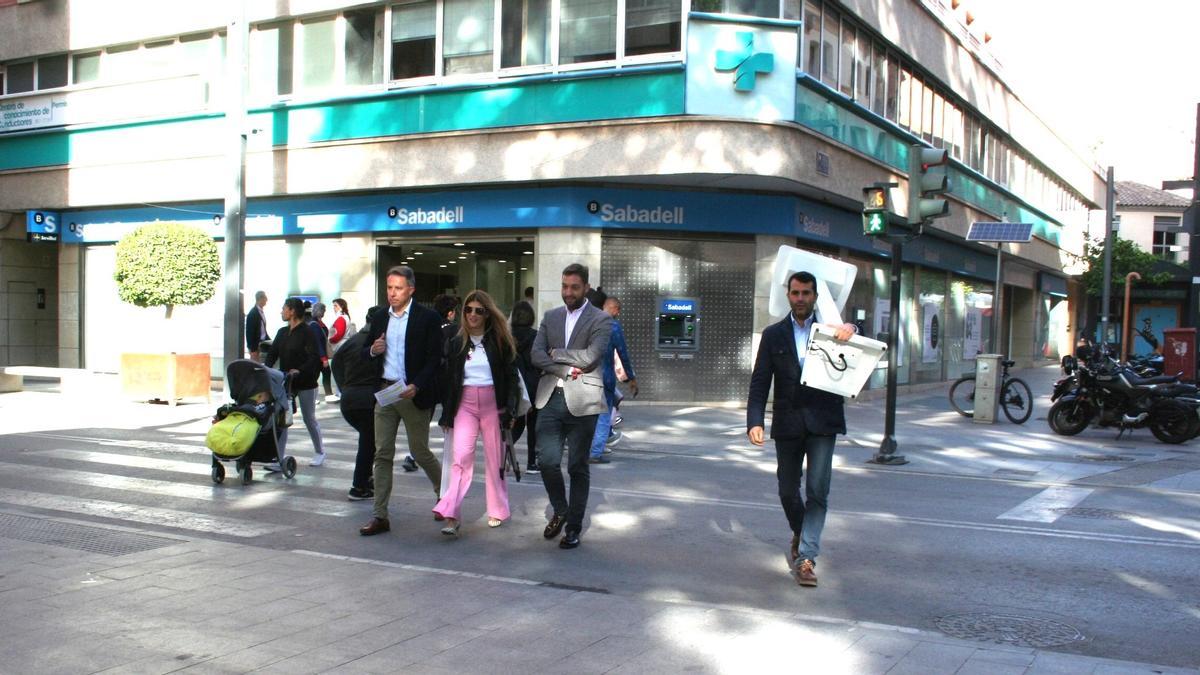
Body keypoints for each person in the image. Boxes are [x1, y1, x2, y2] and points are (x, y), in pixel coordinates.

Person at [746, 270, 857, 588]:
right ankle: (802, 531)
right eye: (795, 293)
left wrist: (851, 328)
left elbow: (858, 344)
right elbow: (759, 381)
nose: (800, 299)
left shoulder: (831, 331)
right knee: (786, 489)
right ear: (788, 295)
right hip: (788, 422)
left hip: (823, 421)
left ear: (815, 297)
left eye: (806, 293)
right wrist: (755, 420)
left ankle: (806, 557)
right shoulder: (773, 334)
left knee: (818, 492)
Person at [530, 263, 612, 550]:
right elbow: (535, 354)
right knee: (547, 461)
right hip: (551, 397)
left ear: (586, 287)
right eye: (564, 286)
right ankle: (560, 509)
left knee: (577, 466)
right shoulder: (550, 316)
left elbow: (591, 356)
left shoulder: (601, 319)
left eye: (574, 287)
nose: (568, 292)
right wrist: (564, 368)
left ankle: (573, 527)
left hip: (584, 401)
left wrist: (558, 354)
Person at [358, 266, 445, 536]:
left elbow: (435, 358)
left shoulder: (427, 318)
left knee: (419, 451)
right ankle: (380, 515)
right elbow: (364, 351)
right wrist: (373, 350)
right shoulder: (380, 317)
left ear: (411, 290)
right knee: (382, 453)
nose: (392, 293)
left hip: (412, 393)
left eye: (398, 288)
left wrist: (417, 385)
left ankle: (445, 496)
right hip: (385, 393)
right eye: (389, 287)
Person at [433, 290, 521, 536]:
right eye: (468, 309)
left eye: (478, 310)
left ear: (487, 314)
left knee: (495, 460)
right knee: (460, 458)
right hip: (465, 404)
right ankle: (451, 513)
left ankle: (498, 509)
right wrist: (446, 414)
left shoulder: (500, 341)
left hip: (494, 403)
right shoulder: (456, 342)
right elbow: (449, 381)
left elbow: (512, 377)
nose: (472, 314)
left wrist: (511, 409)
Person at [265, 297, 326, 467]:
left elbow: (314, 357)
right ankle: (279, 458)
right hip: (286, 381)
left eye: (284, 308)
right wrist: (264, 369)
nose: (281, 311)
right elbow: (272, 354)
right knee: (282, 419)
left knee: (309, 418)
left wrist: (300, 370)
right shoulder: (282, 333)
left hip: (306, 381)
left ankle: (320, 451)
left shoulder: (307, 332)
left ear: (292, 311)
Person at [332, 306, 380, 501]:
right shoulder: (378, 343)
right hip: (368, 399)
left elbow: (336, 363)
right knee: (368, 443)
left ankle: (366, 480)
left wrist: (345, 386)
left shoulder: (352, 341)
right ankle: (359, 486)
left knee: (368, 441)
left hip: (350, 398)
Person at [588, 296, 637, 463]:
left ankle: (583, 450)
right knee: (603, 415)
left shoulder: (589, 322)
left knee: (586, 414)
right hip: (605, 377)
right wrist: (631, 378)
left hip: (587, 376)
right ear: (615, 309)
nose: (619, 313)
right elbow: (623, 354)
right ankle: (595, 453)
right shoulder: (613, 326)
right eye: (618, 310)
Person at [509, 300, 540, 473]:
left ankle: (503, 449)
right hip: (534, 385)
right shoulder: (536, 335)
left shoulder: (507, 335)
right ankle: (532, 463)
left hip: (516, 384)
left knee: (518, 422)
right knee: (534, 426)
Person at [327, 298, 356, 403]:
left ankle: (342, 393)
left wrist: (330, 339)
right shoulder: (345, 317)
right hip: (343, 346)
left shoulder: (340, 318)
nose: (333, 308)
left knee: (339, 370)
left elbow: (339, 333)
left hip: (339, 346)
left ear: (341, 306)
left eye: (335, 306)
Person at [311, 302, 334, 399]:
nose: (324, 312)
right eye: (323, 310)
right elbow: (317, 342)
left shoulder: (317, 322)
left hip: (319, 354)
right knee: (318, 375)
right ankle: (325, 395)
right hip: (318, 355)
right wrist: (323, 358)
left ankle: (326, 394)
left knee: (325, 373)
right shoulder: (315, 324)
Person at [245, 291, 270, 362]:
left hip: (262, 343)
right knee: (255, 365)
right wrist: (252, 349)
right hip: (255, 346)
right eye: (265, 298)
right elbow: (250, 332)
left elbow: (263, 330)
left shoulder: (260, 312)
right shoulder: (253, 313)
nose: (266, 300)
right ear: (260, 299)